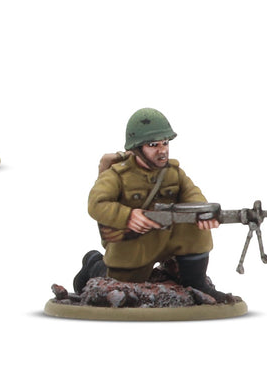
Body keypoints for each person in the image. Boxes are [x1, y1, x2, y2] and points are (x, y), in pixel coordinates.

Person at [73, 107, 228, 299]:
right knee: (123, 282)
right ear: (137, 148)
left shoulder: (174, 173)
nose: (162, 150)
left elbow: (193, 194)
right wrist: (128, 216)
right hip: (136, 241)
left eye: (165, 143)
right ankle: (93, 263)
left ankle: (195, 284)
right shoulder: (118, 175)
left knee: (195, 226)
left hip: (170, 237)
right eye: (153, 144)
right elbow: (96, 203)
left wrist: (205, 213)